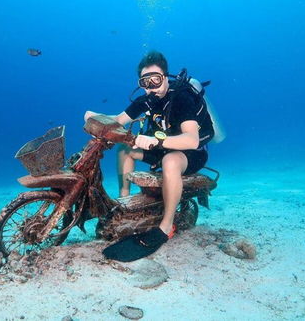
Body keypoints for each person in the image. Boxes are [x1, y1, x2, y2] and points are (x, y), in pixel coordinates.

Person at [84, 51, 214, 262]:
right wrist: (94, 116)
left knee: (170, 161)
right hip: (162, 147)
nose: (151, 86)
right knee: (125, 149)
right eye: (145, 81)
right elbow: (117, 120)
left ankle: (165, 227)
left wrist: (158, 141)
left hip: (191, 153)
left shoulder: (182, 98)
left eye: (156, 79)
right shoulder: (145, 101)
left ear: (165, 76)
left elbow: (192, 140)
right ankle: (124, 201)